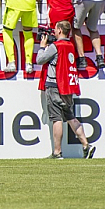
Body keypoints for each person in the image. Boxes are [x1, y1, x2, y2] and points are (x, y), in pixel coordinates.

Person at [36, 20, 96, 159]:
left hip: (55, 85)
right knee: (70, 117)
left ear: (60, 30)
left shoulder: (55, 46)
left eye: (55, 29)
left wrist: (42, 46)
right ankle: (86, 145)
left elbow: (40, 59)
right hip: (68, 86)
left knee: (56, 118)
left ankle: (57, 152)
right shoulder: (70, 45)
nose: (54, 32)